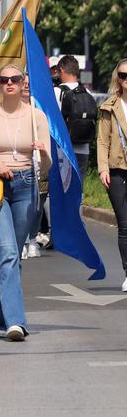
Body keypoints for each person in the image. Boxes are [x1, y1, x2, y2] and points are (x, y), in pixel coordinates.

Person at [0, 63, 50, 341]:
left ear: (22, 82)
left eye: (15, 79)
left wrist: (43, 154)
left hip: (27, 185)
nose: (9, 83)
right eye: (4, 79)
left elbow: (47, 165)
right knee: (7, 255)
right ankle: (16, 322)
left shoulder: (36, 117)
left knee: (13, 258)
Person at [97, 58, 127, 293]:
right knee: (125, 224)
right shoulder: (109, 106)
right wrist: (103, 168)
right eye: (123, 76)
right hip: (117, 171)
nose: (126, 80)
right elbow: (102, 141)